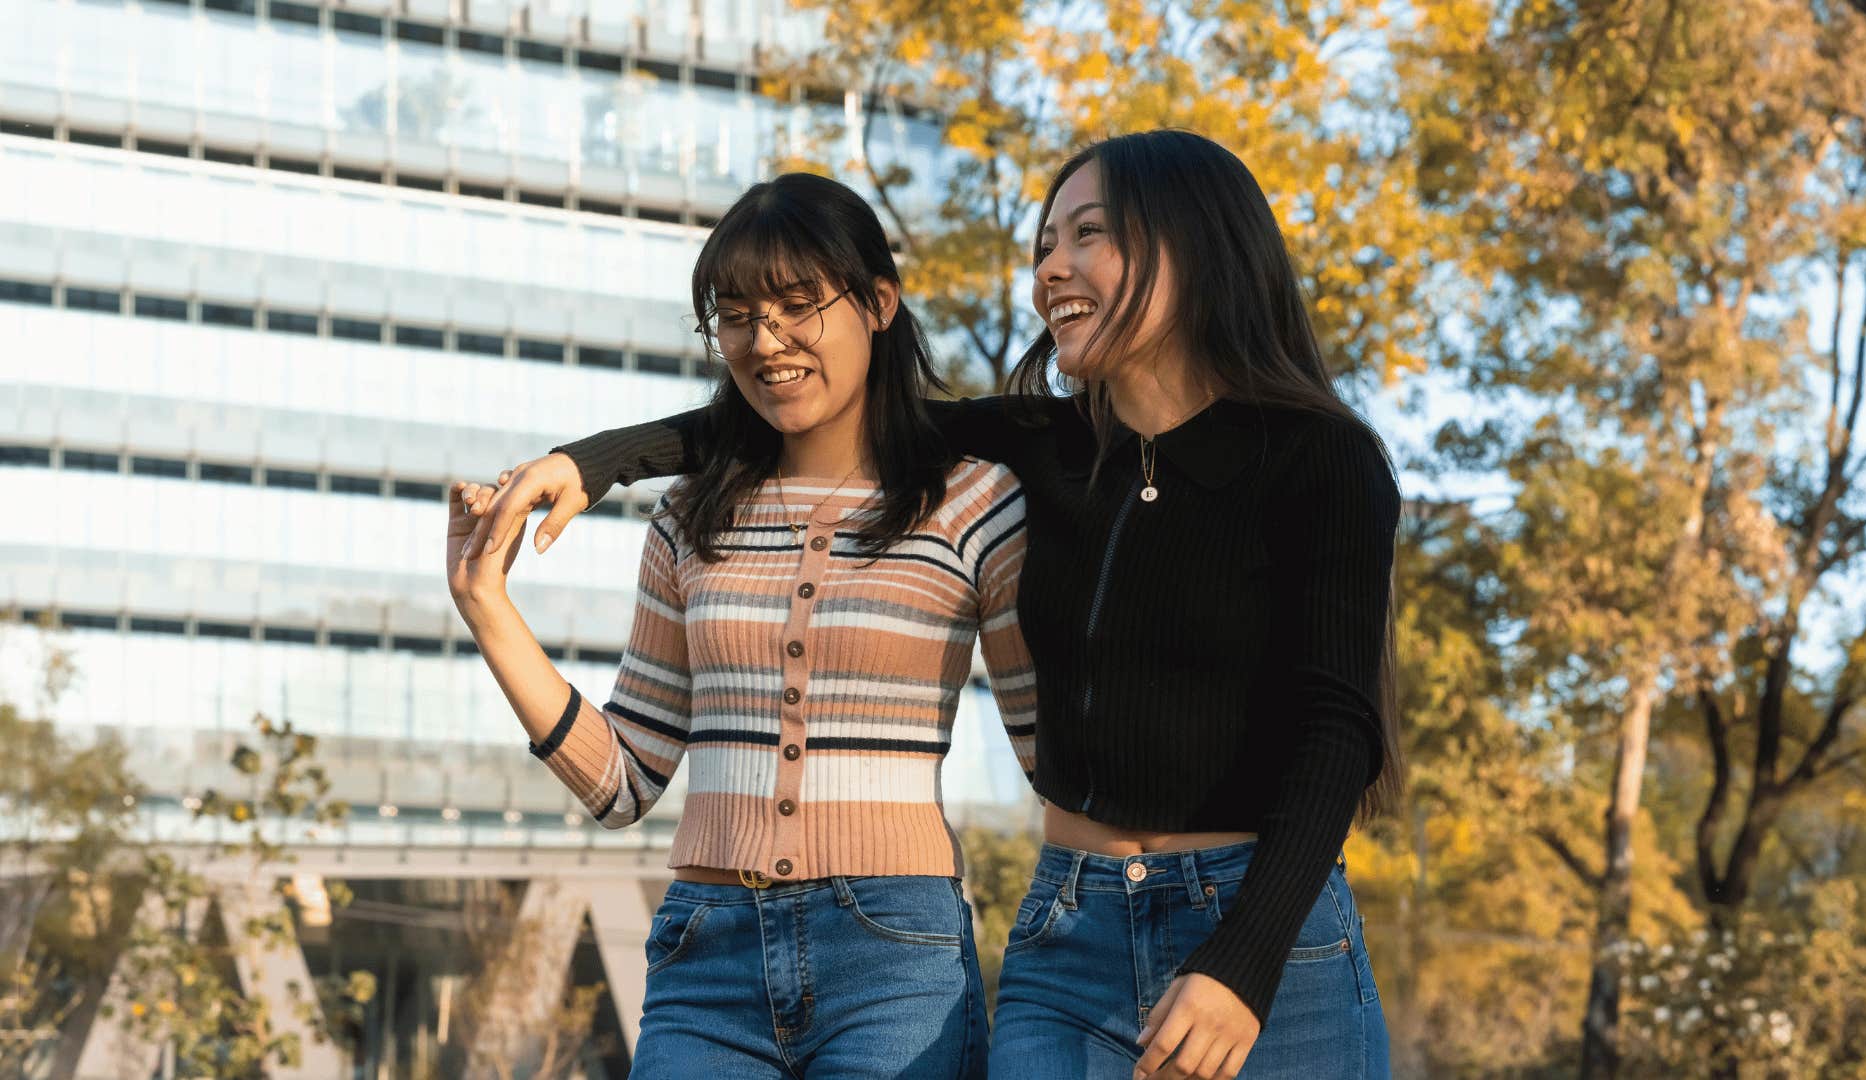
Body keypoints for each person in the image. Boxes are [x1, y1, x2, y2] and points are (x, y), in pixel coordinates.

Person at [464, 129, 1401, 1080]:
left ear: (1195, 244)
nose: (1051, 268)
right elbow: (812, 410)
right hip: (1067, 927)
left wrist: (1242, 963)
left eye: (1088, 235)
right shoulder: (1046, 445)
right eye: (1045, 244)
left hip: (1262, 925)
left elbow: (1336, 730)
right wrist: (595, 462)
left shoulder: (1319, 458)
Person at [444, 171, 1035, 1080]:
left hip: (896, 958)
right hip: (705, 956)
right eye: (736, 316)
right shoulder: (690, 516)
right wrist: (486, 606)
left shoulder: (976, 503)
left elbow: (1055, 758)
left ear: (880, 303)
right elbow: (625, 780)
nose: (766, 342)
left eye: (798, 306)